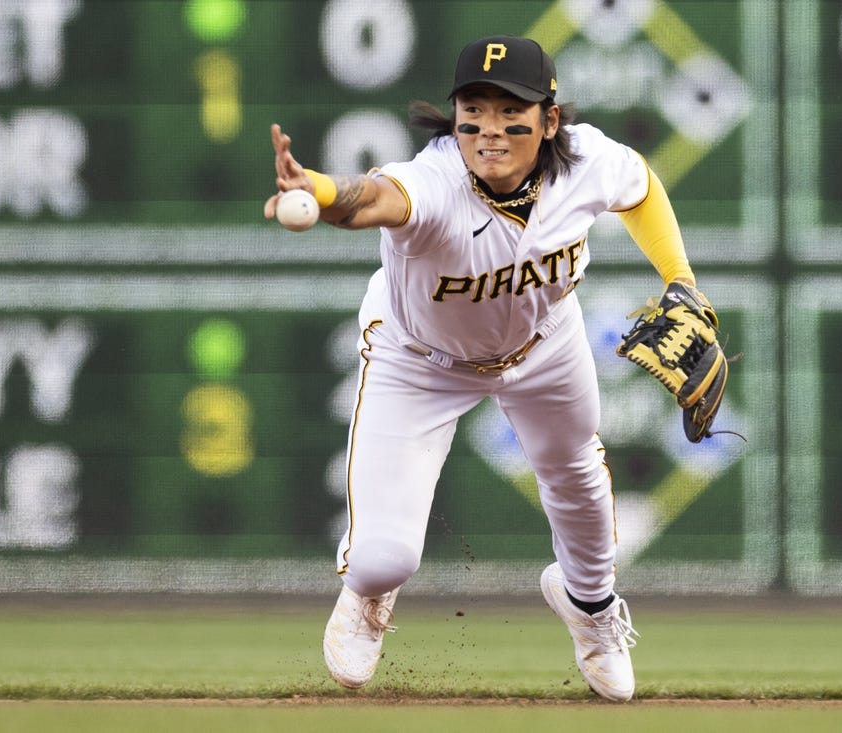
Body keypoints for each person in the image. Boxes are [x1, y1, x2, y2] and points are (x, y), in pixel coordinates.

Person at [265, 35, 710, 702]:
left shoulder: (585, 160)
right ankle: (366, 597)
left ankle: (590, 610)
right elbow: (372, 197)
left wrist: (681, 279)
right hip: (419, 360)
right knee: (386, 556)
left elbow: (641, 186)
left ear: (549, 120)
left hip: (543, 344)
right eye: (473, 109)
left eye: (512, 112)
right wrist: (320, 190)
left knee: (578, 472)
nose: (489, 129)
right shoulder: (435, 181)